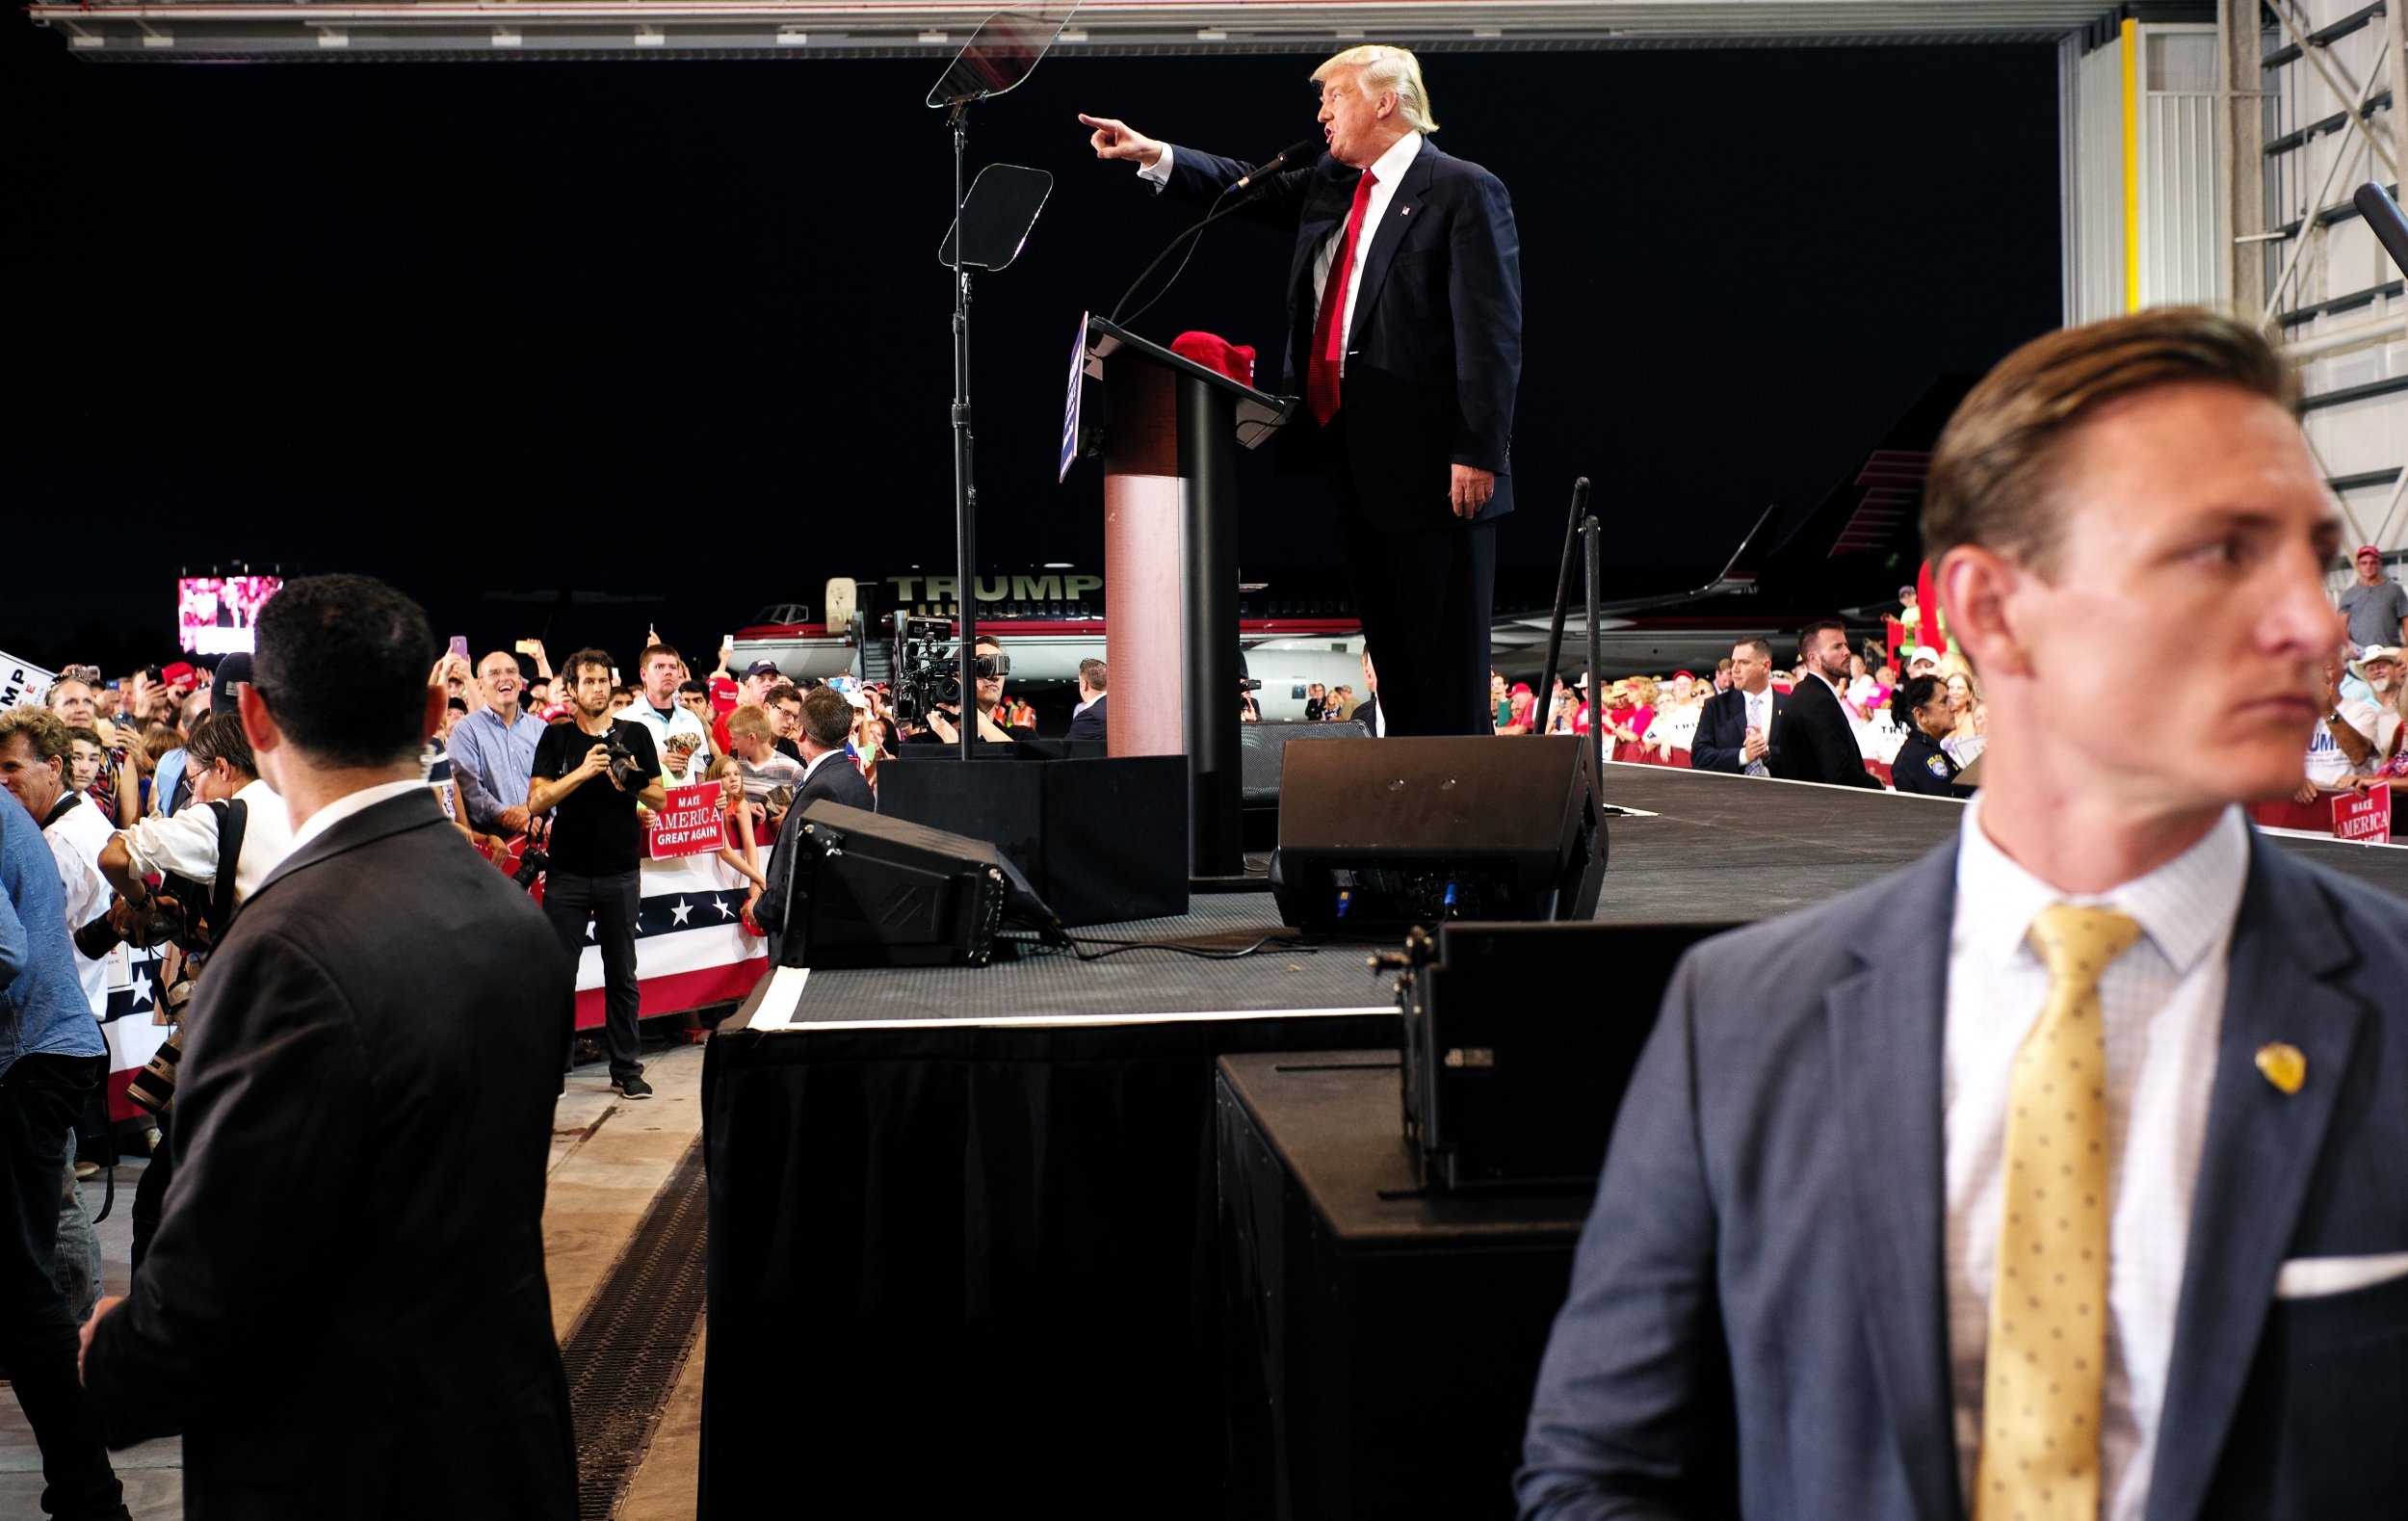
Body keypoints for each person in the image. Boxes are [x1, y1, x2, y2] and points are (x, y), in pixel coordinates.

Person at [1519, 308, 2408, 1519]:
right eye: (2221, 551)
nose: (2311, 623)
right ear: (1989, 610)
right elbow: (1599, 1474)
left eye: (2312, 554)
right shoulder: (1740, 1021)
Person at [78, 573, 577, 1521]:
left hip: (345, 1466)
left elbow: (219, 1284)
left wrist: (115, 1356)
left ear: (256, 719)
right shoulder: (511, 918)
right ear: (437, 708)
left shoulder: (280, 949)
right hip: (501, 1446)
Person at [1084, 41, 1521, 735]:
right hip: (1352, 459)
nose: (1320, 112)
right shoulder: (1331, 185)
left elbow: (1491, 336)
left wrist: (1479, 450)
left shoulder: (1463, 190)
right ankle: (1410, 809)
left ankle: (1467, 820)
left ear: (1384, 101)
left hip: (1439, 473)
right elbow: (1238, 184)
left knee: (1447, 666)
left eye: (1333, 96)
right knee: (1398, 665)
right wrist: (1154, 154)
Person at [2, 792, 129, 1521]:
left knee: (23, 1289)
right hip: (41, 1052)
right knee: (21, 1286)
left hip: (26, 1058)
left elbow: (4, 949)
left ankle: (92, 1501)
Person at [529, 648, 665, 1101]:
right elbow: (536, 802)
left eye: (603, 680)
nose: (598, 688)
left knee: (622, 974)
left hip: (620, 872)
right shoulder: (556, 738)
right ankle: (553, 1066)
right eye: (588, 681)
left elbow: (661, 799)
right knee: (557, 975)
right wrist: (583, 773)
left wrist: (632, 783)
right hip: (566, 874)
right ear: (572, 690)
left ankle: (626, 1067)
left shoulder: (636, 734)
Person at [1769, 617, 1881, 788]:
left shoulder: (1808, 694)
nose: (1847, 652)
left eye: (1845, 644)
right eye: (1837, 647)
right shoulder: (1818, 702)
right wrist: (1876, 784)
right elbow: (1839, 773)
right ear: (1813, 658)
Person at [448, 649, 544, 839]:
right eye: (494, 673)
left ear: (519, 681)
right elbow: (470, 791)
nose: (504, 678)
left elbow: (554, 780)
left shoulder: (540, 728)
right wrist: (509, 816)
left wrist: (537, 812)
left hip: (543, 835)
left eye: (511, 672)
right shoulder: (466, 730)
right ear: (480, 686)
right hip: (494, 845)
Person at [1690, 638, 1787, 776]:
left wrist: (1766, 752)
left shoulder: (1789, 706)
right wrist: (1743, 755)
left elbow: (1803, 757)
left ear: (1765, 666)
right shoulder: (1715, 707)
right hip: (1728, 794)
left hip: (1782, 794)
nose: (1734, 669)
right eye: (1734, 662)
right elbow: (1699, 757)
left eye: (1744, 662)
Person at [618, 643, 711, 787]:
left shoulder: (692, 719)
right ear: (643, 674)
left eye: (673, 667)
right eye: (659, 667)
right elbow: (616, 772)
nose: (668, 672)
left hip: (685, 806)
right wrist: (657, 765)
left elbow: (701, 773)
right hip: (643, 806)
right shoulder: (624, 719)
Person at [1887, 673, 1962, 797]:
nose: (1953, 707)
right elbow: (1947, 806)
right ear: (1920, 715)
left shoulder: (1924, 749)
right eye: (1944, 702)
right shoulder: (1920, 756)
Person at [2337, 544, 2405, 653]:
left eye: (2373, 562)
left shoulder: (2394, 590)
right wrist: (2349, 646)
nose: (2368, 566)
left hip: (2390, 651)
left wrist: (2406, 649)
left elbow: (2406, 619)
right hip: (2361, 653)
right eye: (2364, 563)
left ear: (2380, 564)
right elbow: (2341, 625)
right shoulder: (2349, 594)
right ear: (2357, 566)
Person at [1067, 658, 1110, 745]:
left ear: (1084, 685)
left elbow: (1065, 751)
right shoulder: (1124, 707)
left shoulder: (1089, 716)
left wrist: (1031, 731)